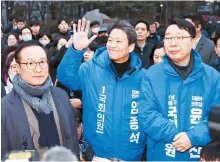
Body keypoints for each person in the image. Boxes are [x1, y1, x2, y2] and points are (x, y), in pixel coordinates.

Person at [57, 18, 147, 161]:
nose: (112, 45)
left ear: (130, 47)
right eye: (110, 40)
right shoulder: (91, 69)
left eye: (119, 41)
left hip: (130, 155)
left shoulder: (143, 77)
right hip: (96, 154)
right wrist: (76, 50)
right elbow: (64, 77)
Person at [139, 19, 220, 161]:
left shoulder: (212, 77)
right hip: (162, 155)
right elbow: (146, 114)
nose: (173, 43)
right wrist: (175, 136)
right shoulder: (151, 74)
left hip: (199, 155)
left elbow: (217, 117)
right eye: (168, 38)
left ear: (193, 41)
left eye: (180, 37)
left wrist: (192, 137)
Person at [1, 41, 79, 159]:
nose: (38, 69)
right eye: (30, 63)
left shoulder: (61, 96)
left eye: (42, 62)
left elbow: (72, 140)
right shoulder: (4, 107)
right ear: (17, 67)